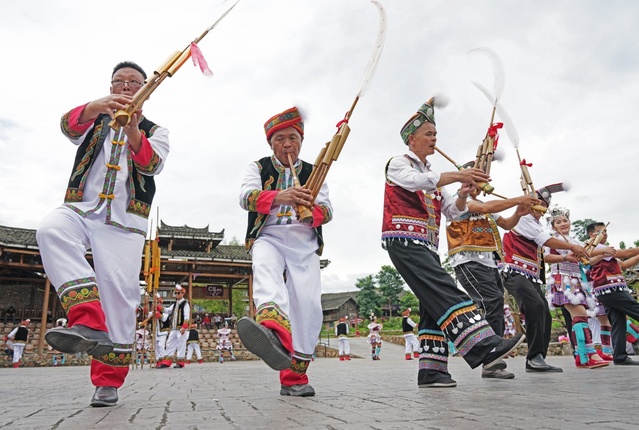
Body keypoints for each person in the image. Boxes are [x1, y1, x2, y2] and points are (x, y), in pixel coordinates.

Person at [35, 61, 170, 406]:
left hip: (124, 222)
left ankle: (108, 380)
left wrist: (134, 129)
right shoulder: (94, 119)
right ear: (110, 86)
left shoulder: (157, 130)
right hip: (82, 208)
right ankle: (86, 317)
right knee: (51, 230)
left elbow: (151, 164)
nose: (125, 87)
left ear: (146, 89)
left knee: (121, 295)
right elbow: (67, 125)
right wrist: (97, 105)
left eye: (133, 82)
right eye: (119, 82)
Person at [383, 98, 526, 388]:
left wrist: (462, 191)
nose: (434, 139)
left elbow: (453, 211)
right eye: (429, 134)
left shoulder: (435, 175)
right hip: (404, 239)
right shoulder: (398, 163)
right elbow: (416, 182)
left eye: (436, 134)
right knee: (447, 291)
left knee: (432, 305)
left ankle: (432, 371)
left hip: (426, 245)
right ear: (412, 139)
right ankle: (485, 345)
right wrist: (461, 174)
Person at [237, 106, 333, 397]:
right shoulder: (258, 166)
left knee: (309, 306)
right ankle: (272, 333)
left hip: (304, 242)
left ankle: (294, 379)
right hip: (269, 235)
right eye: (280, 139)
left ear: (301, 141)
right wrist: (281, 196)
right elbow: (245, 197)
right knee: (265, 268)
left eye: (292, 138)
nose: (287, 144)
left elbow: (327, 211)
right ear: (271, 143)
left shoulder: (315, 172)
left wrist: (309, 210)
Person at [446, 191, 538, 379]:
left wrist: (517, 213)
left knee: (496, 306)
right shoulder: (459, 201)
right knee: (491, 301)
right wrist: (518, 199)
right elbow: (485, 208)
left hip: (489, 262)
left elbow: (505, 224)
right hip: (468, 261)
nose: (478, 188)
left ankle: (492, 362)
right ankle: (488, 354)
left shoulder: (485, 204)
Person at [501, 185, 587, 373]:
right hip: (515, 271)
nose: (540, 207)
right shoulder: (523, 219)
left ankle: (536, 358)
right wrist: (572, 249)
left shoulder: (536, 224)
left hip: (530, 275)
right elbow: (545, 241)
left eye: (543, 205)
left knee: (544, 313)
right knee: (535, 306)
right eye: (538, 203)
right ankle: (533, 358)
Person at [543, 206, 609, 368]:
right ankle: (590, 354)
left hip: (578, 279)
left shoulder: (574, 241)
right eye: (558, 222)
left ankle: (583, 356)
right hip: (563, 280)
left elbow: (587, 255)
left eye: (565, 220)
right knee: (579, 315)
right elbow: (546, 257)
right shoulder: (551, 239)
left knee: (579, 317)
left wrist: (604, 251)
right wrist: (565, 256)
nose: (563, 224)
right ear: (553, 226)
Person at [586, 222, 639, 365]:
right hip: (610, 288)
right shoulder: (598, 248)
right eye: (602, 231)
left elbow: (624, 264)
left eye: (606, 231)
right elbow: (626, 253)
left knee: (618, 321)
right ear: (593, 235)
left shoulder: (603, 251)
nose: (605, 234)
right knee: (635, 309)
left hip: (608, 289)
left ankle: (620, 356)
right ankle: (620, 355)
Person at [158, 284, 190, 368]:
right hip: (173, 328)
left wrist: (184, 327)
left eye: (178, 293)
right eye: (175, 293)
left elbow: (187, 316)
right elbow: (167, 310)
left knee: (181, 344)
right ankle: (166, 361)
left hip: (181, 328)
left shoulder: (185, 304)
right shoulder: (174, 304)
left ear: (182, 293)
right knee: (169, 344)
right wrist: (158, 307)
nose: (177, 295)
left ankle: (180, 362)